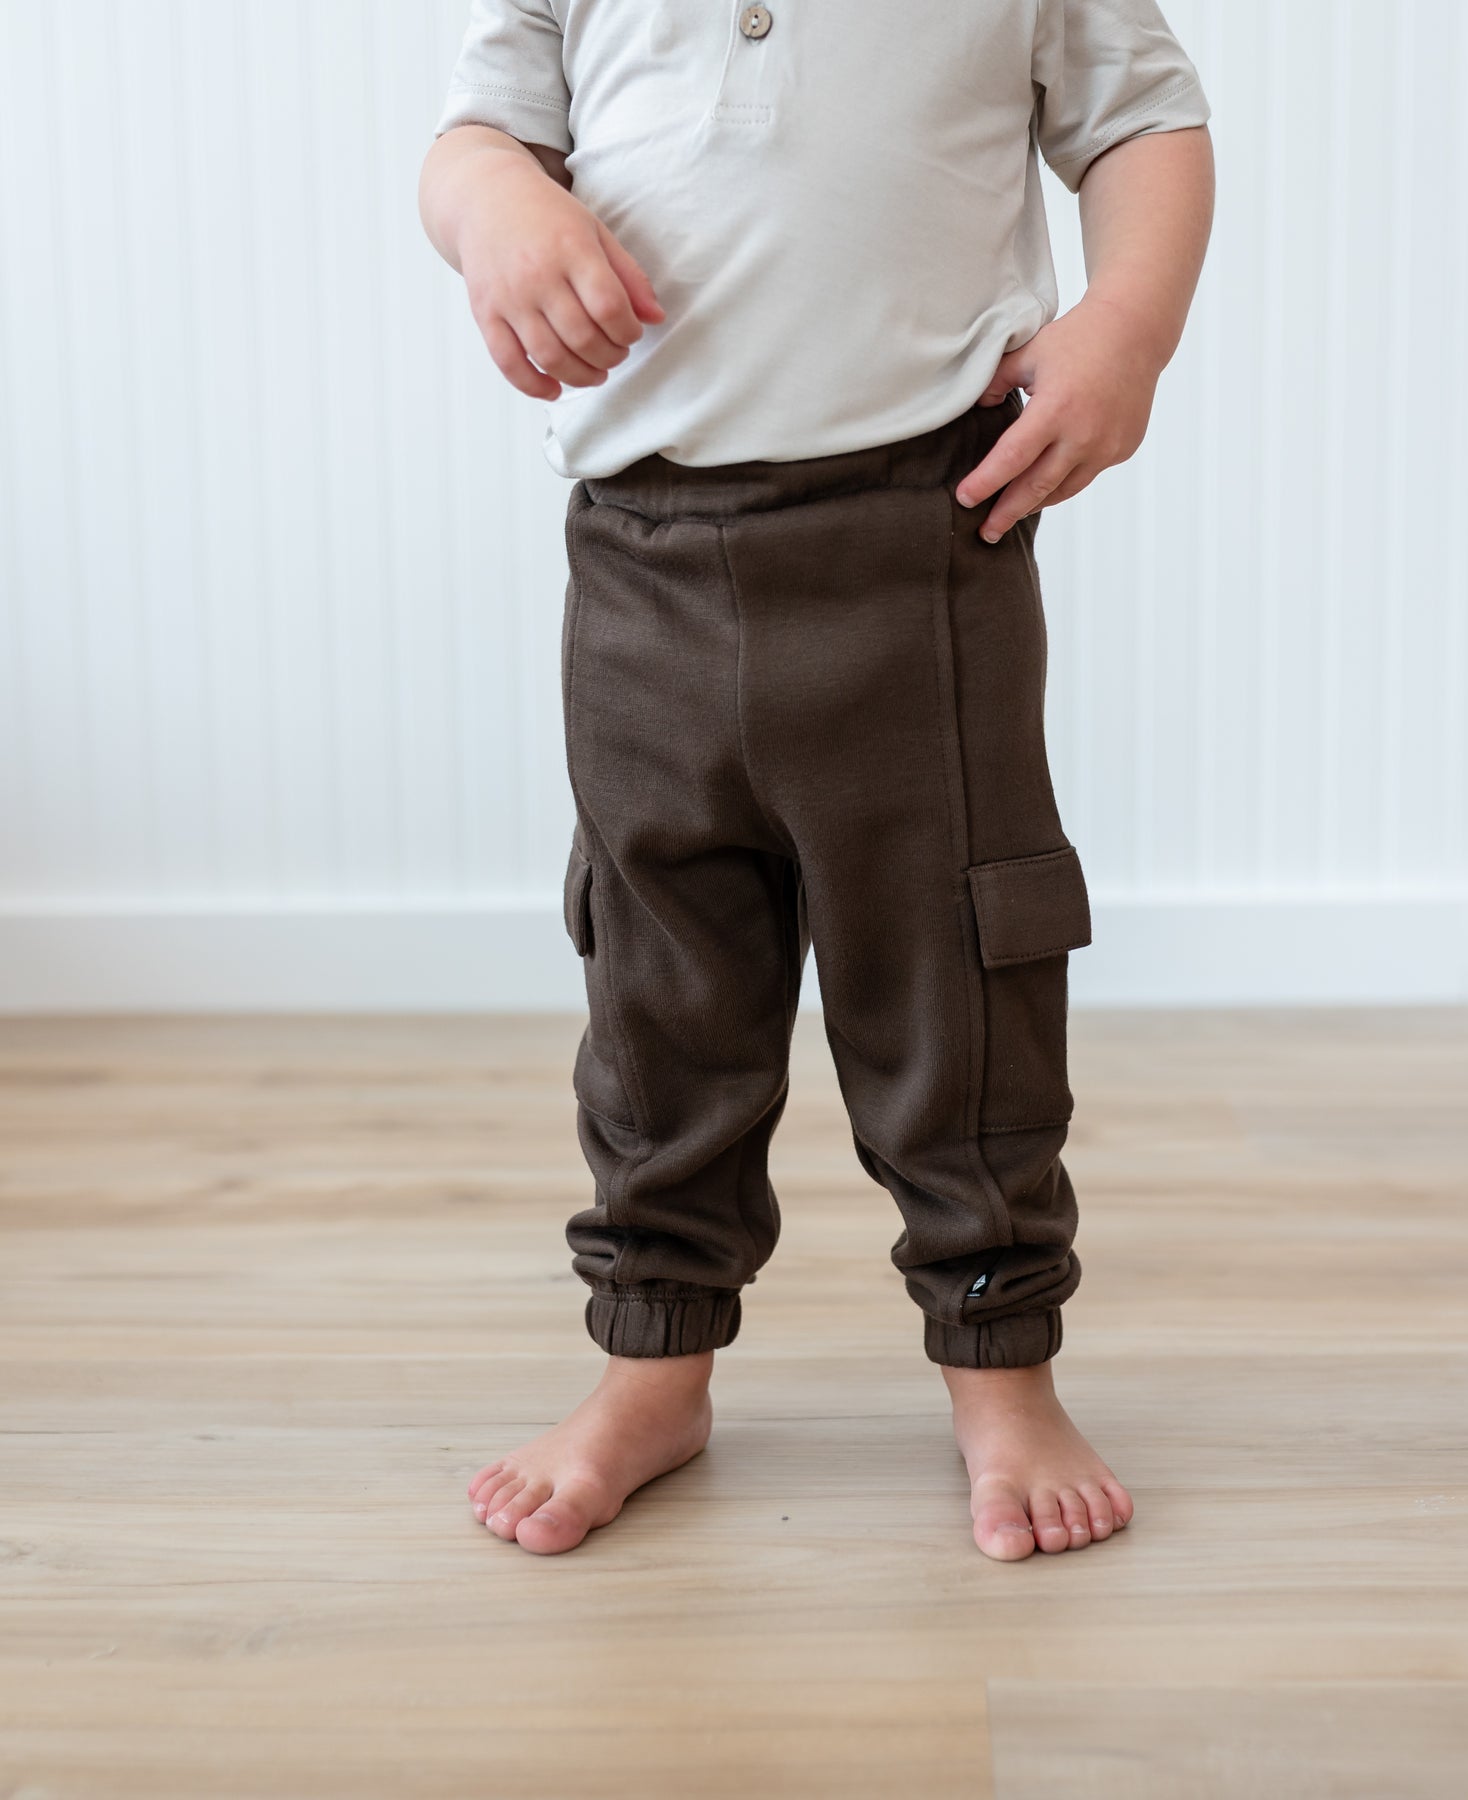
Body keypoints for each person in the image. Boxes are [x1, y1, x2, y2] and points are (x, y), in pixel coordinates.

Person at [418, 0, 1215, 1561]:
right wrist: (497, 201)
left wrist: (1130, 324)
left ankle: (1003, 1364)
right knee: (658, 986)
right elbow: (473, 137)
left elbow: (1143, 124)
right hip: (641, 561)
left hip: (923, 540)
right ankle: (651, 1360)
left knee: (963, 975)